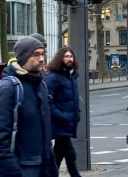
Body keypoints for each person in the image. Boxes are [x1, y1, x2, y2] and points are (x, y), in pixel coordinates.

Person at [0, 37, 58, 177]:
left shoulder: (40, 84)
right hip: (19, 168)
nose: (42, 59)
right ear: (23, 57)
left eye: (43, 54)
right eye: (35, 55)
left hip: (40, 165)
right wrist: (14, 171)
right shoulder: (8, 88)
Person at [45, 47, 81, 177]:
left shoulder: (71, 76)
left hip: (67, 120)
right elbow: (47, 100)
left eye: (71, 56)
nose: (69, 59)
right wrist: (62, 115)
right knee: (70, 153)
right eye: (66, 56)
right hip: (59, 121)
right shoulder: (53, 77)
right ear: (60, 58)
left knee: (58, 153)